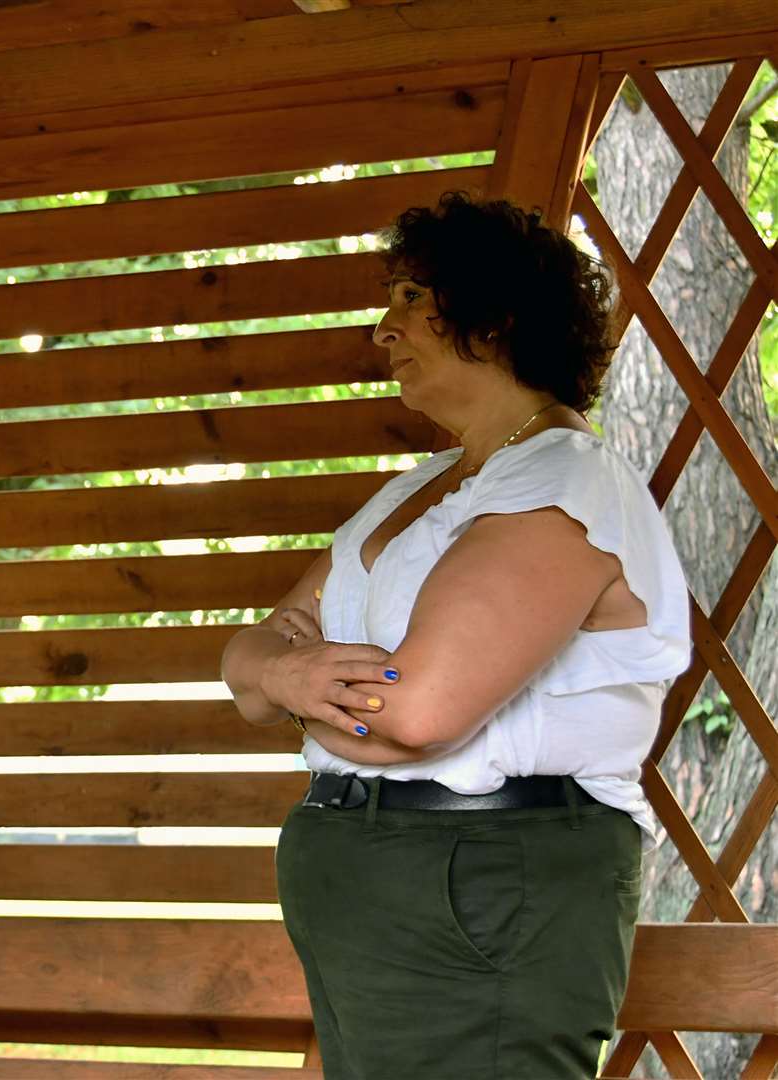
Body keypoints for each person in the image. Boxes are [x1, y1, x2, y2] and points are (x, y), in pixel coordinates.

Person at [221, 193, 690, 1078]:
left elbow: (419, 713)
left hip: (479, 887)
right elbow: (246, 661)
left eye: (407, 295)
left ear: (495, 314)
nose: (382, 328)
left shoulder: (563, 478)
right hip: (378, 884)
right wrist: (292, 684)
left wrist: (299, 686)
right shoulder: (418, 488)